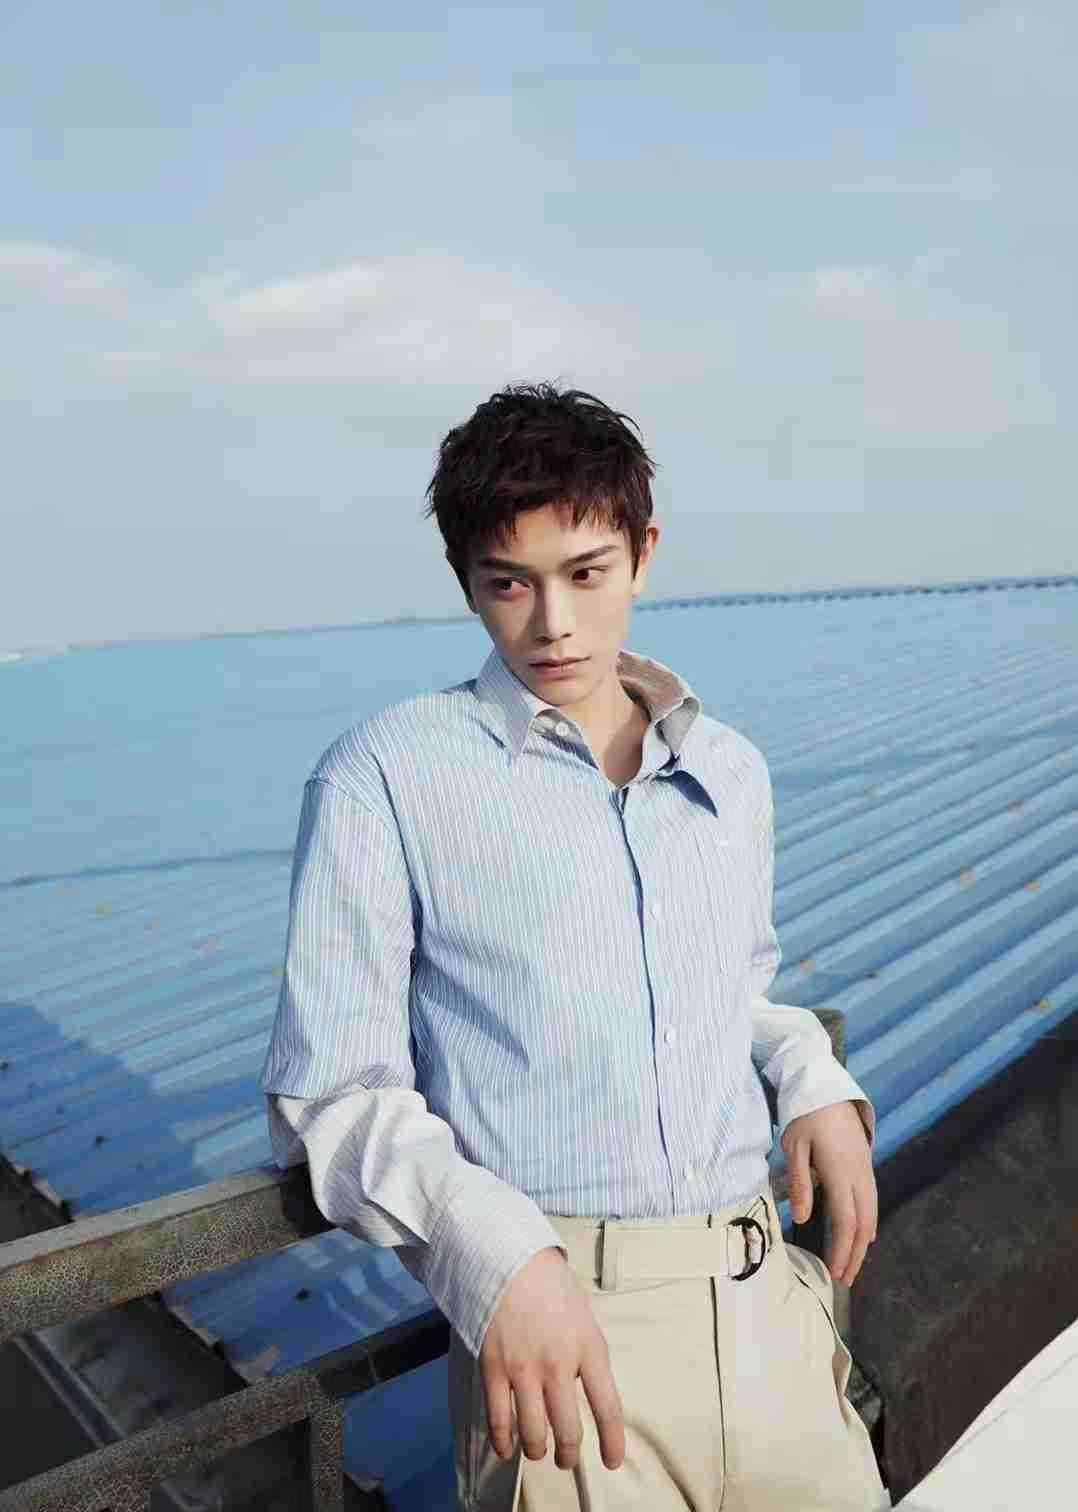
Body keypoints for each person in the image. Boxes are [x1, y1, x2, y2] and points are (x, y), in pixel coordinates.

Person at [260, 382, 890, 1510]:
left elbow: (726, 991)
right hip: (561, 1352)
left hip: (772, 1320)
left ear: (644, 552)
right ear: (465, 579)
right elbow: (333, 1095)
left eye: (586, 573)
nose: (551, 623)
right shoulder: (384, 776)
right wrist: (499, 1256)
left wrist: (807, 1071)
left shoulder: (729, 770)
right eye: (509, 582)